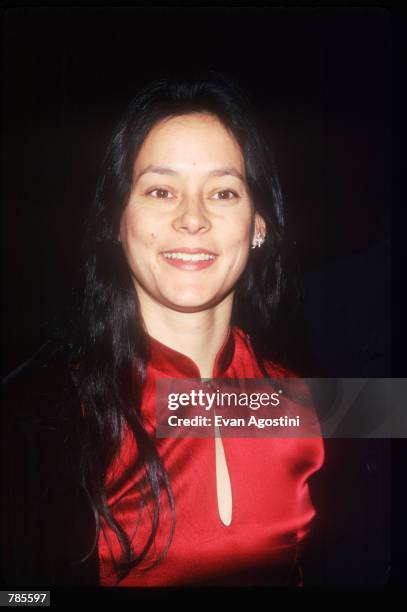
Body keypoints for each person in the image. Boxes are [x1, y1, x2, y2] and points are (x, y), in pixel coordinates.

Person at [2, 69, 324, 588]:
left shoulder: (320, 405)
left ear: (259, 225)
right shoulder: (37, 422)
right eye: (159, 190)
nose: (192, 218)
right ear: (117, 222)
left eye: (223, 193)